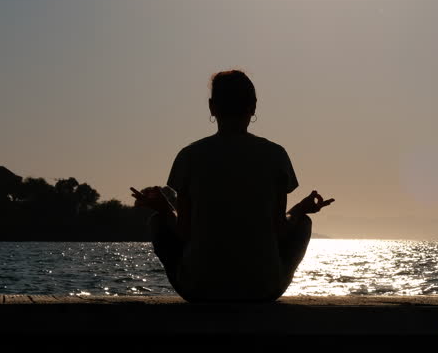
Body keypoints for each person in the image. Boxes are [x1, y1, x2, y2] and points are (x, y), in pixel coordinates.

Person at [131, 70, 334, 302]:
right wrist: (299, 210)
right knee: (304, 223)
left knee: (157, 221)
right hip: (262, 290)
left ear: (212, 107)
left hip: (199, 290)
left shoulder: (188, 156)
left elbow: (184, 232)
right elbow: (279, 230)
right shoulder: (276, 156)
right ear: (253, 106)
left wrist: (164, 208)